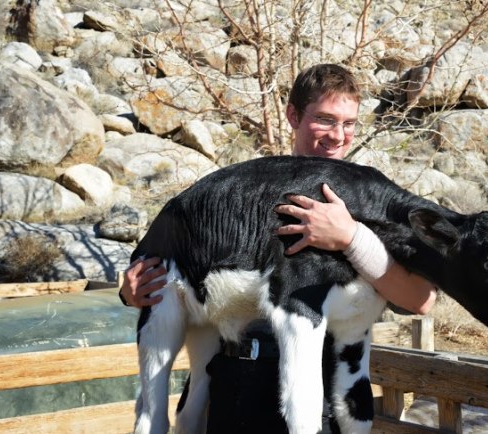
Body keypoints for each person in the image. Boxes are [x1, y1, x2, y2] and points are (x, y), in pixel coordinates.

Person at [119, 63, 437, 432]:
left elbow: (420, 299)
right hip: (230, 388)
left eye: (349, 123)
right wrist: (131, 289)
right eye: (325, 119)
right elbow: (171, 252)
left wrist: (352, 238)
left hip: (318, 400)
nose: (338, 135)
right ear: (292, 115)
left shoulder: (372, 201)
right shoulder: (241, 190)